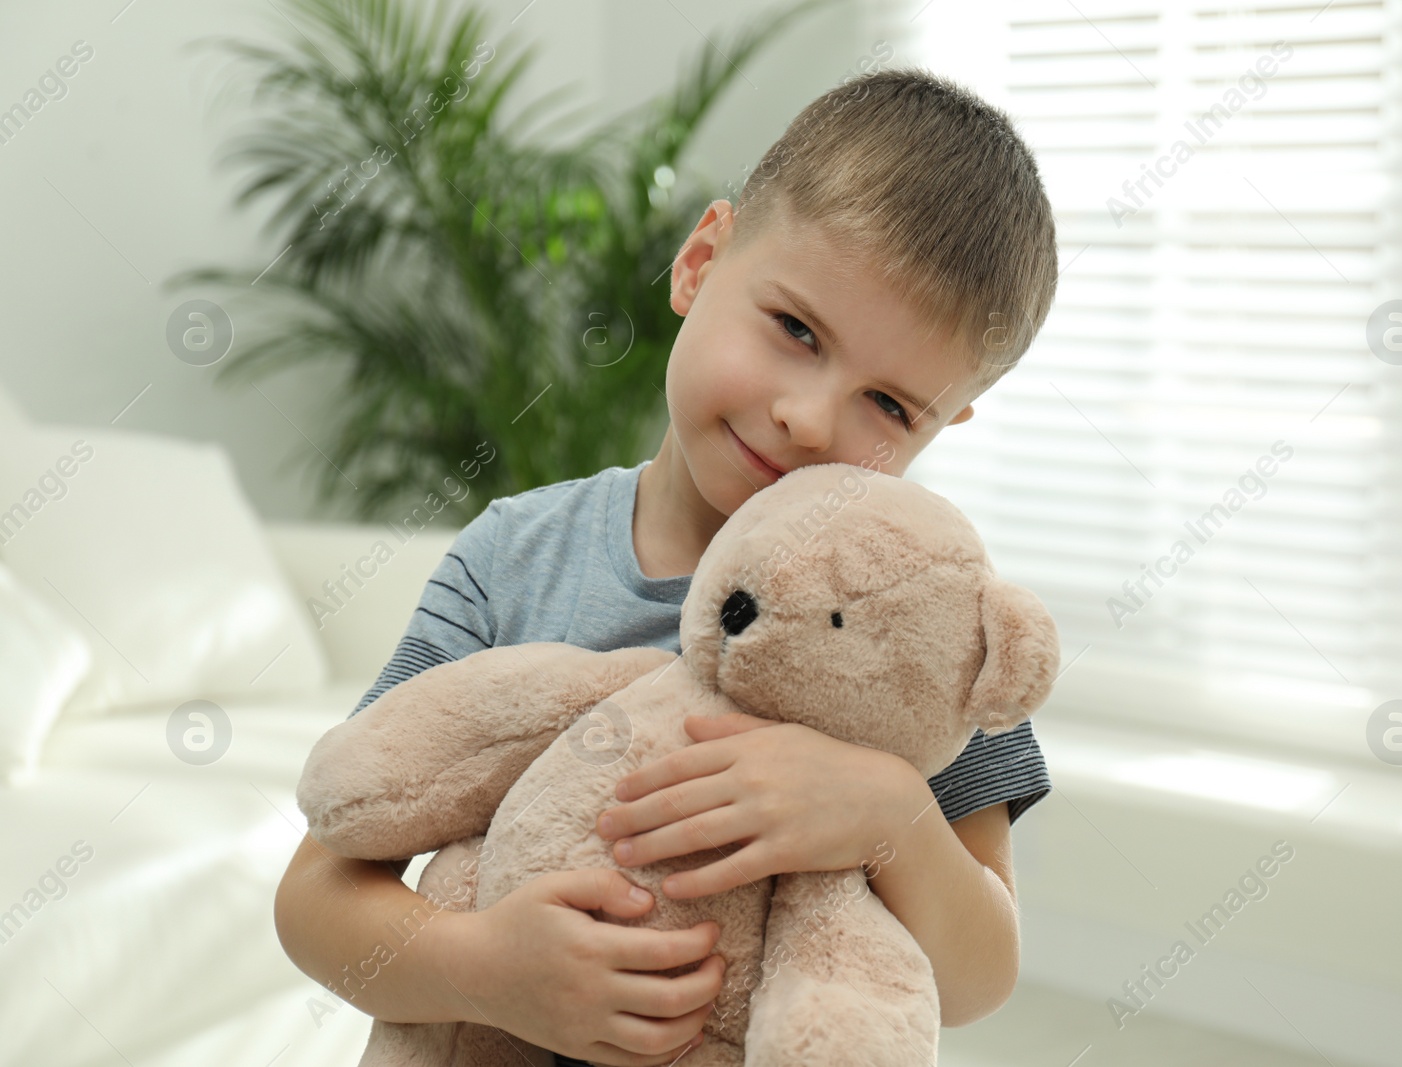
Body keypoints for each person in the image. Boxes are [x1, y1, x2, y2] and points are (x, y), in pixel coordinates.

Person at [275, 65, 1059, 1067]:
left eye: (890, 406)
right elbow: (313, 899)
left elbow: (978, 977)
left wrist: (888, 813)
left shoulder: (930, 625)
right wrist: (481, 965)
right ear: (700, 260)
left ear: (944, 424)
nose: (810, 417)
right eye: (795, 330)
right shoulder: (515, 558)